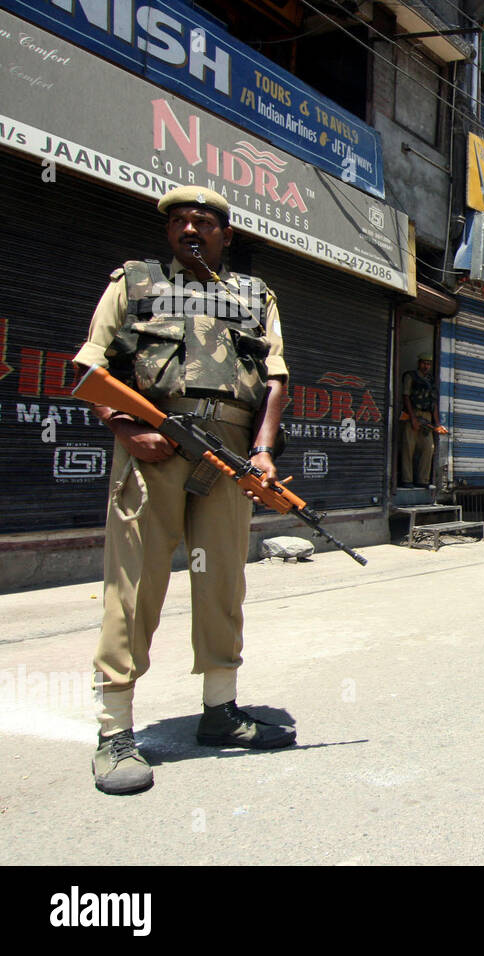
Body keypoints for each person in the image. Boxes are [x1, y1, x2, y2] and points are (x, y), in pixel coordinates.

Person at [74, 187, 296, 796]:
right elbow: (95, 370)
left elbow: (276, 379)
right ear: (168, 233)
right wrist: (125, 428)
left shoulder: (256, 296)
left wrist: (263, 451)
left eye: (204, 222)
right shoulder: (135, 282)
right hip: (154, 447)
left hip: (228, 458)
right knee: (135, 584)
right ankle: (115, 732)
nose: (191, 230)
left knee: (222, 577)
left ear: (227, 234)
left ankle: (220, 712)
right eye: (180, 223)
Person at [400, 352, 439, 486]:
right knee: (408, 447)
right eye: (424, 363)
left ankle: (423, 480)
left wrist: (437, 423)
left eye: (428, 364)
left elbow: (433, 403)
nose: (426, 366)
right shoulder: (410, 376)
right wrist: (413, 418)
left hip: (426, 416)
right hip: (412, 414)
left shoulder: (431, 380)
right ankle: (407, 480)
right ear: (419, 363)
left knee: (429, 447)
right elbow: (406, 397)